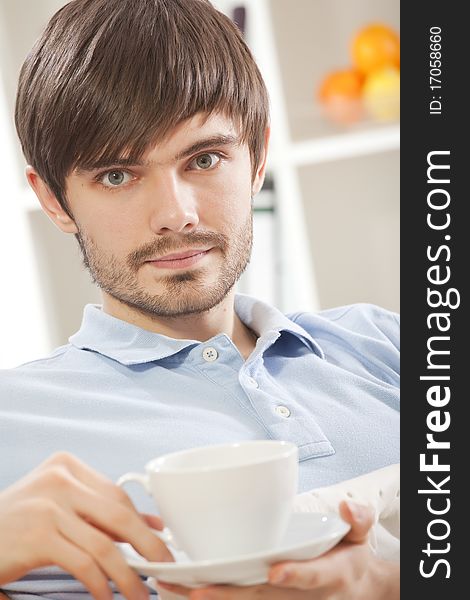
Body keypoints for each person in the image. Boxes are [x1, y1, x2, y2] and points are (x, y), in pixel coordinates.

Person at [0, 0, 400, 599]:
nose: (175, 215)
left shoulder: (387, 344)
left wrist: (387, 582)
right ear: (55, 200)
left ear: (257, 158)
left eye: (205, 159)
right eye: (116, 174)